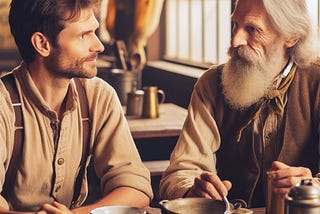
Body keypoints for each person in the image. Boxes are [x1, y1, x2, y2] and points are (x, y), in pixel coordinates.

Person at [160, 0, 320, 208]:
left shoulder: (316, 81)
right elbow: (182, 170)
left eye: (252, 29)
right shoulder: (211, 84)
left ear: (291, 37)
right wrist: (192, 190)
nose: (235, 40)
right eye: (235, 25)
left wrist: (312, 186)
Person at [0, 0, 153, 213]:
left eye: (95, 32)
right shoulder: (3, 103)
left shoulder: (99, 95)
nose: (98, 45)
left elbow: (136, 189)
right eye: (84, 35)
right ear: (42, 44)